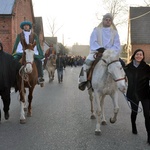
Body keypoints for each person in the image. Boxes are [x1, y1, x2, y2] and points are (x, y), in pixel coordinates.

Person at [78, 13, 121, 91]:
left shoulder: (115, 32)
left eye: (109, 20)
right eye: (106, 20)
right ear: (103, 21)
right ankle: (83, 81)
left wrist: (109, 51)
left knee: (120, 64)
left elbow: (117, 44)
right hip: (98, 52)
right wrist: (100, 48)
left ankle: (122, 82)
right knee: (87, 63)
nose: (108, 21)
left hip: (110, 53)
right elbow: (93, 41)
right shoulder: (96, 30)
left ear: (111, 22)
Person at [124, 49, 150, 145]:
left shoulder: (147, 68)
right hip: (133, 94)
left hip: (145, 94)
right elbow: (121, 78)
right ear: (134, 55)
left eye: (141, 54)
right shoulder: (127, 68)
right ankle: (134, 126)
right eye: (137, 54)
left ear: (143, 56)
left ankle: (149, 136)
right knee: (134, 112)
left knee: (147, 115)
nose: (139, 56)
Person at [12, 20, 45, 85]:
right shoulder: (19, 35)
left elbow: (37, 45)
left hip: (31, 52)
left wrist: (36, 52)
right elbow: (16, 44)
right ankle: (13, 78)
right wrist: (15, 52)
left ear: (29, 27)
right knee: (14, 61)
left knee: (39, 61)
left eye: (27, 26)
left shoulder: (34, 35)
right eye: (24, 26)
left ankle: (40, 77)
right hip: (21, 52)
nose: (26, 27)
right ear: (23, 27)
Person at [0, 41, 21, 120]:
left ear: (1, 47)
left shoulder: (7, 57)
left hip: (5, 83)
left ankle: (6, 111)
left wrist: (22, 67)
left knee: (6, 100)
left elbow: (15, 63)